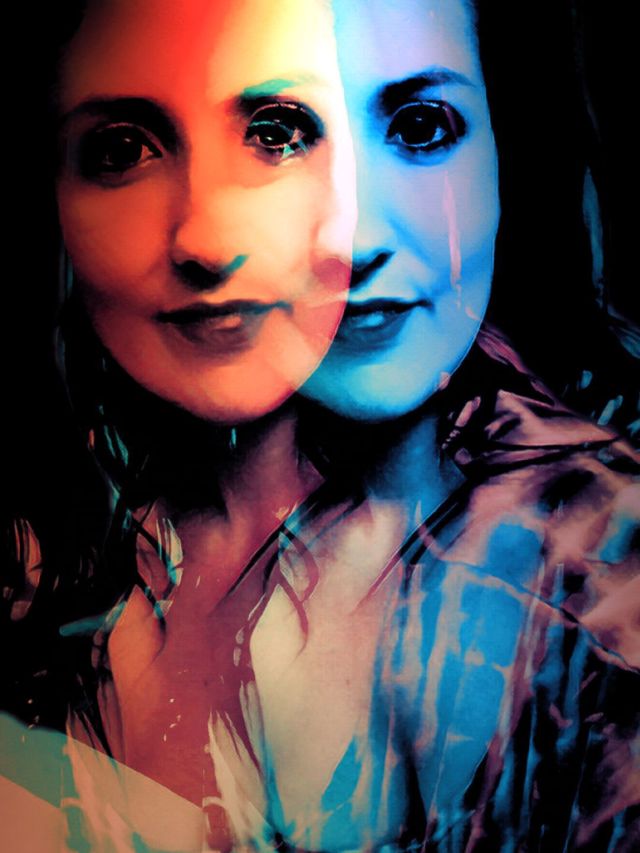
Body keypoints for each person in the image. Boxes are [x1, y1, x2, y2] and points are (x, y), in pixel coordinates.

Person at [1, 1, 638, 852]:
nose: (357, 238)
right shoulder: (49, 556)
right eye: (122, 150)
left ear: (511, 148)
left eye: (420, 127)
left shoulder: (594, 589)